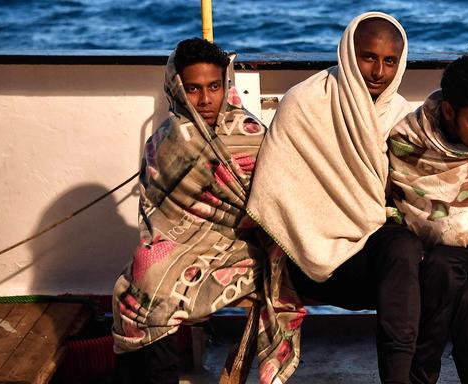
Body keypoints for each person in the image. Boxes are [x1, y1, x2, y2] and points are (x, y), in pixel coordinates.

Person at [246, 12, 424, 384]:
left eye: (390, 61)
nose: (378, 71)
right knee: (404, 265)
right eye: (368, 57)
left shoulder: (404, 117)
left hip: (373, 264)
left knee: (406, 250)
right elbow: (274, 191)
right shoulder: (305, 102)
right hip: (307, 260)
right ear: (347, 52)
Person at [111, 38, 297, 384]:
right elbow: (158, 212)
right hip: (181, 243)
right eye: (194, 89)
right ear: (177, 87)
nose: (206, 99)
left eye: (214, 86)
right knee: (136, 282)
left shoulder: (252, 133)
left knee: (156, 286)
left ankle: (157, 375)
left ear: (226, 84)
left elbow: (273, 202)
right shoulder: (166, 140)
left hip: (245, 247)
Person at [387, 48, 468, 384]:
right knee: (466, 297)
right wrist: (449, 230)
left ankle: (421, 373)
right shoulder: (408, 139)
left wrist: (459, 230)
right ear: (448, 110)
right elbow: (407, 209)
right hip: (427, 253)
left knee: (446, 267)